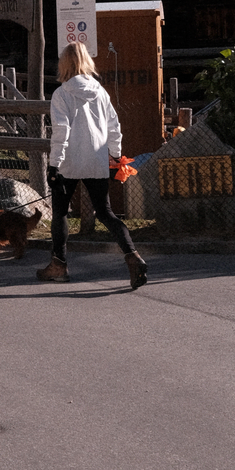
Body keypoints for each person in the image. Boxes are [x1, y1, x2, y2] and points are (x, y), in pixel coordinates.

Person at [38, 41, 147, 289]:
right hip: (97, 159)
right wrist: (116, 157)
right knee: (106, 212)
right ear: (87, 61)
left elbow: (61, 131)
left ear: (64, 64)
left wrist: (53, 165)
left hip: (68, 162)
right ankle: (133, 255)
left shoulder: (61, 94)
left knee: (60, 213)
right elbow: (114, 127)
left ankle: (59, 265)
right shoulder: (100, 91)